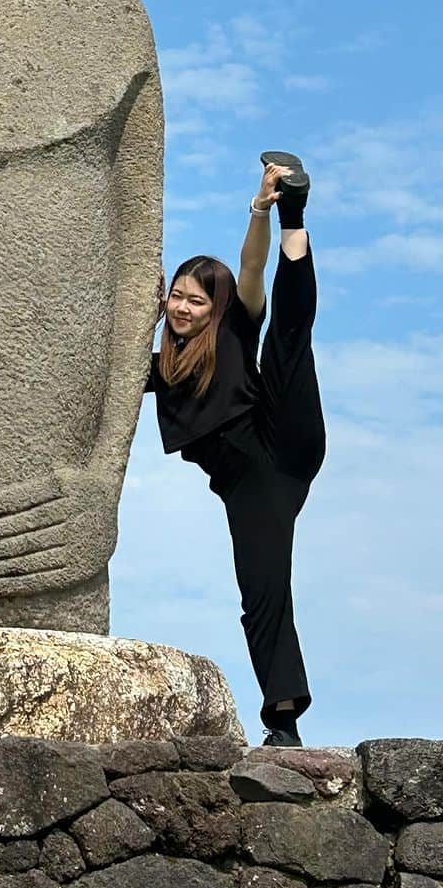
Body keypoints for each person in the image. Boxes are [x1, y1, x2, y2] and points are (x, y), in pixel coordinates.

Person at [147, 151, 324, 747]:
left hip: (280, 440)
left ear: (214, 308)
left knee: (287, 339)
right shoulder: (160, 367)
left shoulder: (232, 328)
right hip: (249, 486)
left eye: (196, 300)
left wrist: (263, 210)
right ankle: (284, 720)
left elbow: (249, 269)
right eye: (176, 296)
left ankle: (294, 216)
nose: (182, 307)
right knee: (261, 589)